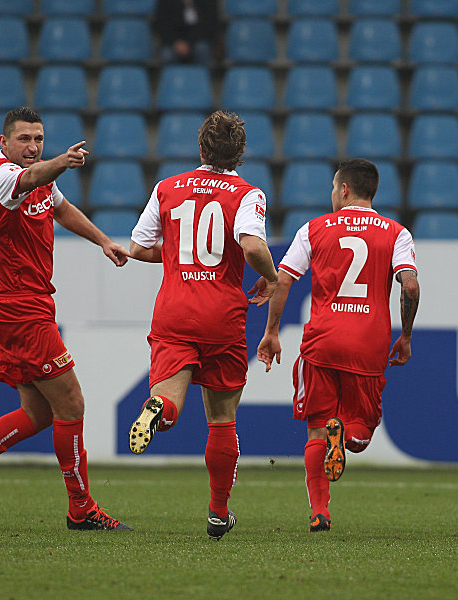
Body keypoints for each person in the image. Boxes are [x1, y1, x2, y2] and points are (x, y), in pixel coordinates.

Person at [0, 107, 132, 530]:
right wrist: (60, 162)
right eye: (24, 139)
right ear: (4, 142)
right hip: (18, 308)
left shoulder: (38, 179)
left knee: (39, 413)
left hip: (24, 306)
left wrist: (104, 241)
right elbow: (33, 179)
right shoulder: (2, 177)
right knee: (71, 402)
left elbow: (62, 207)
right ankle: (81, 509)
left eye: (38, 139)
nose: (33, 147)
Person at [126, 110, 278, 540]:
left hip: (174, 308)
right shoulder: (247, 194)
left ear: (200, 149)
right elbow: (250, 245)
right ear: (241, 153)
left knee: (169, 396)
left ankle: (160, 410)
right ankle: (217, 512)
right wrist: (270, 276)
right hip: (222, 314)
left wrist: (175, 254)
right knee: (222, 418)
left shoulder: (167, 188)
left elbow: (139, 248)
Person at [256, 158, 420, 532]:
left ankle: (319, 512)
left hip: (321, 342)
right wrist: (406, 336)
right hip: (369, 344)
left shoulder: (313, 228)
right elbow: (409, 285)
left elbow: (283, 280)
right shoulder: (397, 233)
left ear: (343, 189)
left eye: (333, 187)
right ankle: (345, 434)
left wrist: (272, 331)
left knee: (316, 428)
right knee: (360, 430)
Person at [153, 0, 219, 66]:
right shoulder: (166, 2)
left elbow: (210, 26)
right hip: (174, 42)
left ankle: (203, 75)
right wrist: (176, 43)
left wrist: (189, 43)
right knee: (166, 55)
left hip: (198, 40)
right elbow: (161, 25)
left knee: (202, 49)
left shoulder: (208, 2)